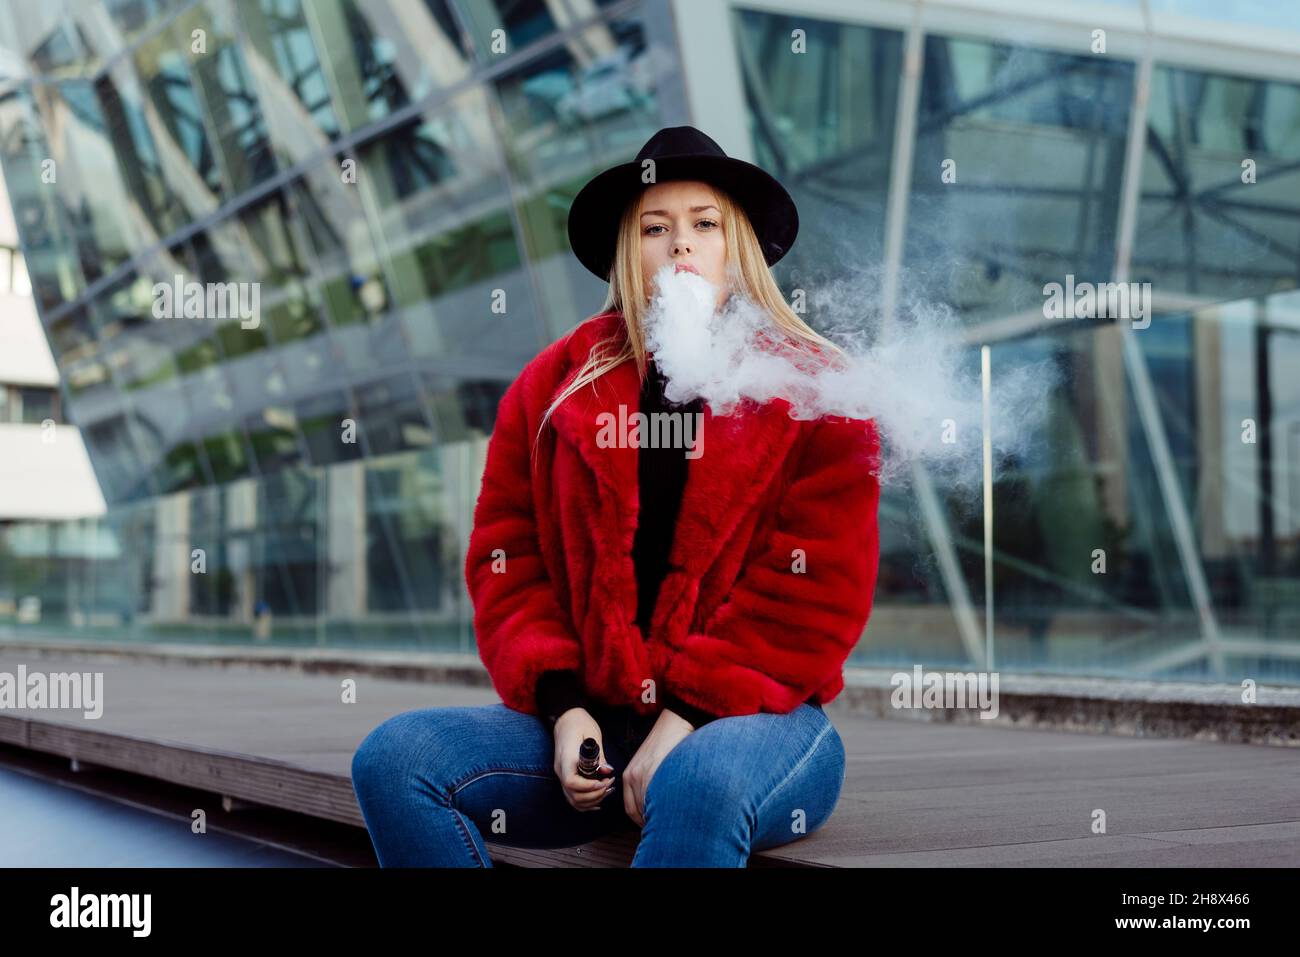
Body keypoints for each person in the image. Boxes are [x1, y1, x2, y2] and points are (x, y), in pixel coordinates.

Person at [351, 126, 882, 867]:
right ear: (627, 253)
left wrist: (688, 714)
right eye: (655, 229)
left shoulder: (813, 389)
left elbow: (818, 589)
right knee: (395, 759)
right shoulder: (550, 387)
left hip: (763, 722)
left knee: (698, 781)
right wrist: (565, 707)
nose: (680, 247)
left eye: (705, 224)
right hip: (594, 723)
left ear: (742, 246)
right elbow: (509, 562)